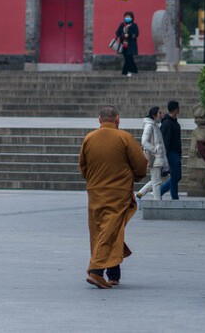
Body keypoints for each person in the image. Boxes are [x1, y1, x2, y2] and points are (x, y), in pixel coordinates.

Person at [79, 105, 147, 289]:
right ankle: (96, 271)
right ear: (117, 119)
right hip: (118, 194)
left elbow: (83, 168)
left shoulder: (89, 138)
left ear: (99, 120)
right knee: (111, 230)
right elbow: (141, 165)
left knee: (102, 231)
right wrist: (134, 177)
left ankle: (113, 274)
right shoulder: (124, 138)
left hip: (95, 193)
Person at [135, 106, 166, 200]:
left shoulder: (155, 126)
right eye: (159, 113)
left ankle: (139, 195)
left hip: (158, 157)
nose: (162, 115)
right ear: (154, 115)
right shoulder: (149, 126)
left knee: (155, 180)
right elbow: (144, 142)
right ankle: (157, 203)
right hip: (154, 157)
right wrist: (155, 150)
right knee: (156, 182)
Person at [157, 101, 183, 200]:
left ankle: (161, 191)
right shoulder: (167, 123)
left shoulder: (174, 122)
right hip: (170, 153)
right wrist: (164, 156)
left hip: (175, 152)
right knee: (175, 175)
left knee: (176, 176)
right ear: (176, 109)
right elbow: (165, 141)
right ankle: (174, 197)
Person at [115, 12, 139, 76]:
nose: (127, 18)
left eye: (128, 17)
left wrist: (129, 34)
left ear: (132, 18)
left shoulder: (134, 25)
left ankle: (125, 72)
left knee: (128, 57)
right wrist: (122, 35)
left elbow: (136, 34)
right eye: (126, 17)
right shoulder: (122, 25)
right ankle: (134, 70)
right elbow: (118, 32)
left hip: (131, 44)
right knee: (128, 58)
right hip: (124, 44)